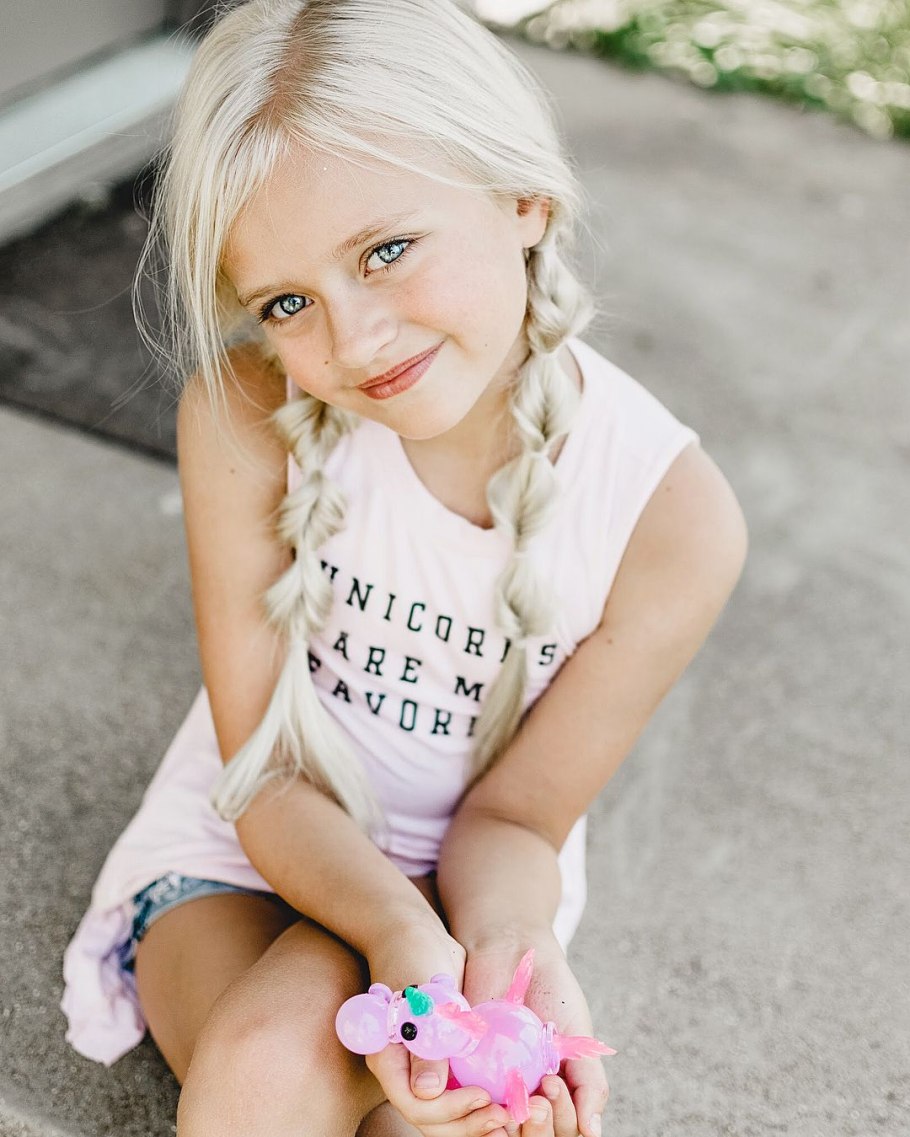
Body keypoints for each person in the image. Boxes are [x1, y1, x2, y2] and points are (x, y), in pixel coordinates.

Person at [60, 1, 748, 1134]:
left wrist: (496, 953)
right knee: (270, 1059)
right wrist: (392, 936)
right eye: (288, 303)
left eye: (386, 251)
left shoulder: (670, 517)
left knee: (432, 1109)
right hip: (242, 858)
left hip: (474, 900)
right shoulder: (245, 414)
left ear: (522, 197)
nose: (354, 340)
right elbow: (265, 771)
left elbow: (516, 820)